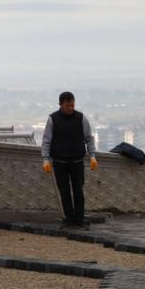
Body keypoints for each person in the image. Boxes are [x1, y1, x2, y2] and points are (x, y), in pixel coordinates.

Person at [41, 92, 97, 228]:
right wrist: (45, 159)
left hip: (77, 161)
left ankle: (79, 219)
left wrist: (92, 156)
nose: (70, 108)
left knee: (78, 190)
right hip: (59, 162)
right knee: (64, 191)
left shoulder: (81, 118)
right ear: (60, 104)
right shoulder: (53, 119)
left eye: (72, 105)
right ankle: (68, 219)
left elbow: (89, 138)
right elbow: (46, 140)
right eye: (67, 105)